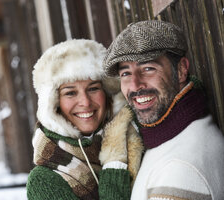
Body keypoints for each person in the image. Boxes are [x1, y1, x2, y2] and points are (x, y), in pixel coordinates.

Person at [103, 20, 224, 200]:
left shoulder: (179, 169)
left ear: (182, 69)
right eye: (126, 73)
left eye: (148, 68)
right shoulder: (173, 136)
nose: (135, 85)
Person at [26, 39, 144, 200]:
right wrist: (114, 162)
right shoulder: (44, 181)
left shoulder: (137, 132)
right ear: (54, 104)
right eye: (70, 93)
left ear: (108, 94)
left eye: (93, 88)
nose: (86, 102)